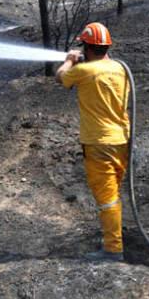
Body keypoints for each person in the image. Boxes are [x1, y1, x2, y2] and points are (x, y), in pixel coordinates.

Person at [55, 22, 130, 262]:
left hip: (99, 143)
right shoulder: (120, 68)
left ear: (87, 47)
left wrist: (69, 59)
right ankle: (113, 234)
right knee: (113, 193)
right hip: (121, 140)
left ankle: (113, 249)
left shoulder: (83, 72)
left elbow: (61, 77)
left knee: (106, 198)